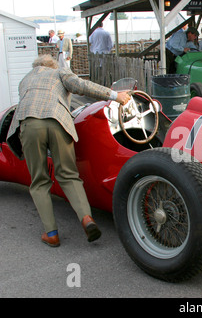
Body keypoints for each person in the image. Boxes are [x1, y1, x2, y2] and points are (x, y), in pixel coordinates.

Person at [6, 54, 131, 247]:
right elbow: (82, 86)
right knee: (69, 175)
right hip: (58, 122)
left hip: (30, 125)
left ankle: (52, 234)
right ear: (52, 65)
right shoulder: (59, 72)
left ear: (36, 66)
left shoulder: (26, 79)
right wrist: (116, 95)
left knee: (39, 181)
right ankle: (86, 219)